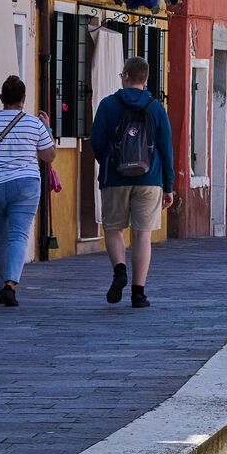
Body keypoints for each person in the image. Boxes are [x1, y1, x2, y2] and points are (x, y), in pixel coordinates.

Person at [89, 55, 175, 308]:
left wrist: (107, 162)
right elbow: (166, 148)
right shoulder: (156, 107)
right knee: (142, 235)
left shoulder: (107, 105)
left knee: (113, 229)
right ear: (145, 79)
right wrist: (168, 186)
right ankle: (139, 293)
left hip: (114, 178)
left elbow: (96, 140)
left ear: (126, 75)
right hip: (150, 178)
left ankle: (119, 271)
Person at [0, 75, 57, 307]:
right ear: (23, 99)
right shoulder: (35, 124)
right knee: (18, 236)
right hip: (25, 184)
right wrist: (47, 128)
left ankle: (1, 288)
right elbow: (49, 156)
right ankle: (10, 286)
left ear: (1, 98)